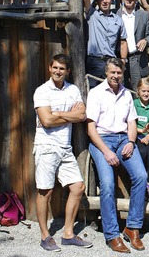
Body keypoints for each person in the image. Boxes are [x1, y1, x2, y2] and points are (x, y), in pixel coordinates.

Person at [86, 58, 148, 253]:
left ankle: (132, 228)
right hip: (101, 140)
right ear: (106, 72)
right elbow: (90, 128)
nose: (115, 76)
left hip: (123, 140)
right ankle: (112, 234)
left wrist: (131, 142)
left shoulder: (126, 94)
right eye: (112, 72)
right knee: (107, 183)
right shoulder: (96, 93)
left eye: (119, 73)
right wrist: (106, 151)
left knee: (141, 176)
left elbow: (131, 123)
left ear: (123, 74)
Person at [32, 54, 92, 252]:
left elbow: (82, 115)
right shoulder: (42, 91)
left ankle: (68, 234)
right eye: (55, 67)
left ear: (68, 71)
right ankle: (44, 236)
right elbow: (46, 122)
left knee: (77, 187)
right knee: (45, 191)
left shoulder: (73, 89)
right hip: (46, 147)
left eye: (62, 69)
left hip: (65, 147)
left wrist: (57, 113)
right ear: (50, 68)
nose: (58, 71)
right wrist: (69, 116)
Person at [84, 0, 128, 88]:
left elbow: (123, 42)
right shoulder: (93, 15)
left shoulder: (118, 20)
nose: (104, 1)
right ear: (97, 1)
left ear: (111, 0)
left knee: (115, 93)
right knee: (92, 93)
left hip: (112, 61)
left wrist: (123, 61)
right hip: (94, 61)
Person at [117, 0, 149, 90]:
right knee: (120, 91)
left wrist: (145, 41)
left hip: (137, 59)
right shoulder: (115, 15)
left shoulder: (143, 15)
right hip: (120, 59)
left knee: (137, 92)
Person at [133, 77, 149, 202]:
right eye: (143, 91)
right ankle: (141, 184)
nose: (146, 94)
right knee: (141, 152)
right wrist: (141, 132)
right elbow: (132, 124)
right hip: (136, 134)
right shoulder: (134, 104)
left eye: (148, 91)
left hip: (148, 135)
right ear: (138, 91)